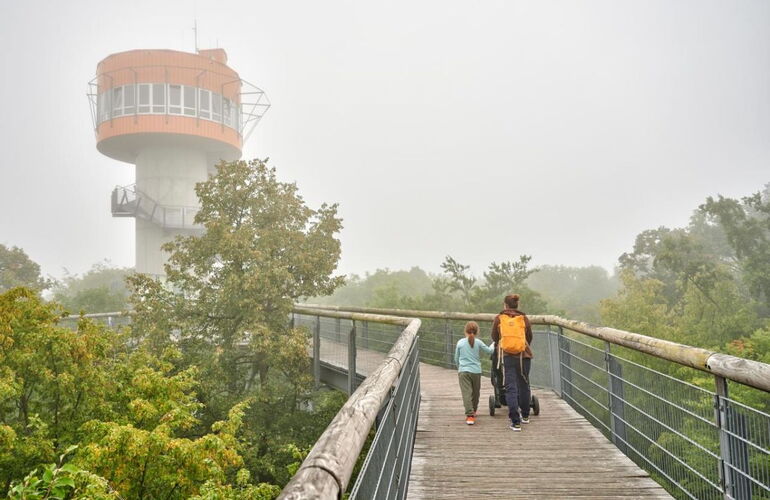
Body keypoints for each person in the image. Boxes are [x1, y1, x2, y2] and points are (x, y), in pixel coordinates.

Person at [491, 293, 533, 431]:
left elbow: (494, 337)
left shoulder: (499, 319)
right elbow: (529, 337)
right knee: (524, 384)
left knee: (511, 388)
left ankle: (515, 422)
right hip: (524, 356)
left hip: (508, 356)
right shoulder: (524, 318)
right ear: (517, 305)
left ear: (505, 305)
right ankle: (525, 415)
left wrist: (505, 345)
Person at [454, 321, 494, 425]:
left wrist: (460, 368)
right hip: (476, 371)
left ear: (465, 331)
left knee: (466, 393)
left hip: (463, 371)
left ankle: (470, 415)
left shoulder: (460, 342)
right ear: (477, 332)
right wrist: (494, 343)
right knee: (476, 393)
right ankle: (474, 411)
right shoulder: (478, 342)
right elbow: (490, 351)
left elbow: (456, 358)